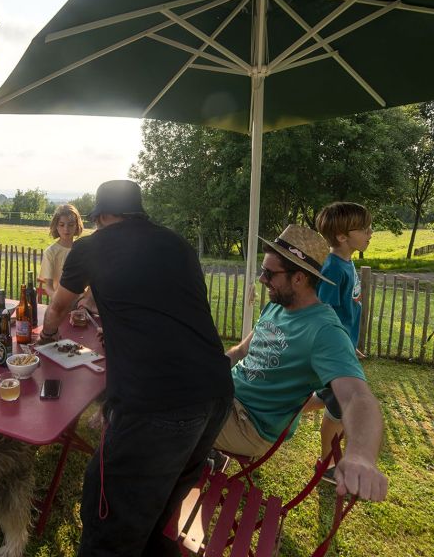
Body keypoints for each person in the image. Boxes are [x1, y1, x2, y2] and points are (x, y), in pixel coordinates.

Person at [38, 180, 233, 556]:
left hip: (158, 401)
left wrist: (45, 336)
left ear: (101, 217)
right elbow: (169, 309)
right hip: (215, 392)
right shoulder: (176, 242)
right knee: (161, 501)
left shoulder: (91, 247)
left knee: (110, 508)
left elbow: (59, 307)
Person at [218, 225, 388, 503]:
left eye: (270, 273)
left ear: (299, 278)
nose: (262, 279)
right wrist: (209, 367)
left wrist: (361, 455)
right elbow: (240, 350)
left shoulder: (325, 331)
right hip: (226, 399)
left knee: (160, 410)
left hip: (251, 426)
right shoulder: (276, 306)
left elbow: (358, 395)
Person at [309, 202, 374, 482]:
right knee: (338, 410)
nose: (371, 233)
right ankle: (326, 464)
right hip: (334, 354)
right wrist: (340, 349)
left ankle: (290, 407)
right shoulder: (334, 267)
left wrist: (351, 343)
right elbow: (324, 312)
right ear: (342, 237)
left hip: (343, 348)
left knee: (329, 401)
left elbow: (345, 310)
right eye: (365, 229)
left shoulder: (347, 261)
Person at [39, 204, 83, 301]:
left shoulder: (82, 250)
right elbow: (48, 287)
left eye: (71, 225)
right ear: (56, 226)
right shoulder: (50, 252)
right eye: (62, 225)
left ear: (77, 226)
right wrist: (58, 299)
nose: (66, 229)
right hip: (59, 305)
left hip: (81, 306)